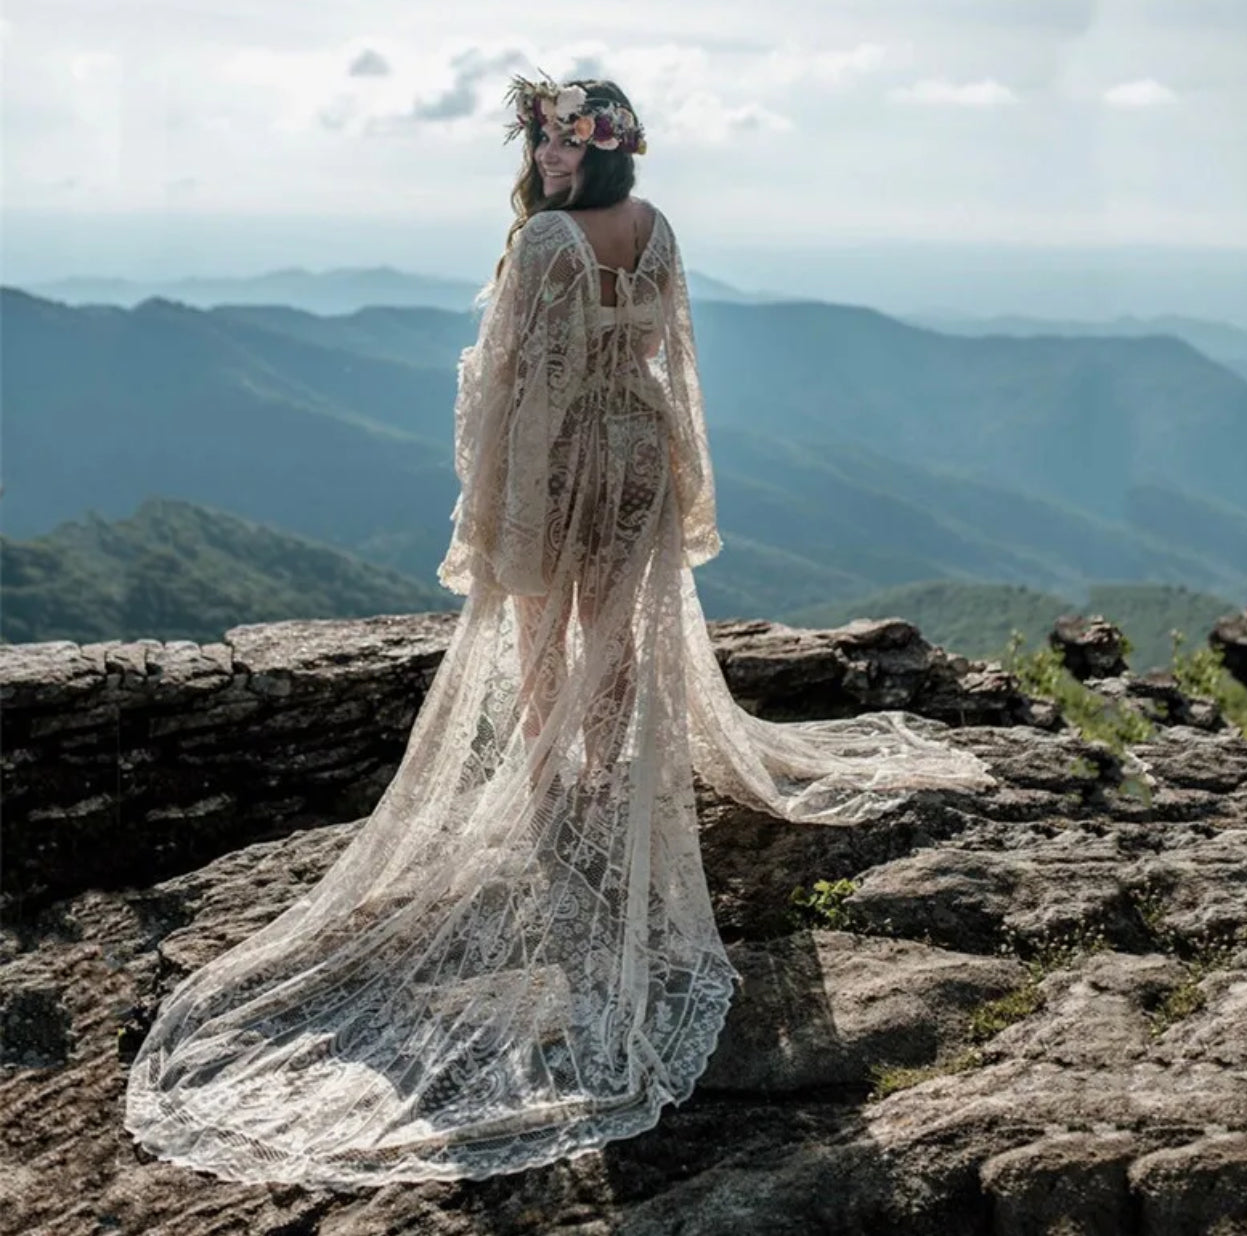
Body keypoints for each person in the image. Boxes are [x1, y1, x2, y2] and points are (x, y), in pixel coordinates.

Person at [124, 74, 997, 1187]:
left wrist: (496, 499)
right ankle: (608, 772)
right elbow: (673, 355)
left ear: (599, 148)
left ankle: (553, 791)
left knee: (538, 618)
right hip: (639, 443)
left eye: (558, 143)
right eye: (541, 143)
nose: (545, 158)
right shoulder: (656, 225)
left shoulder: (545, 244)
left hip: (568, 453)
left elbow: (512, 377)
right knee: (620, 624)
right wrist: (677, 471)